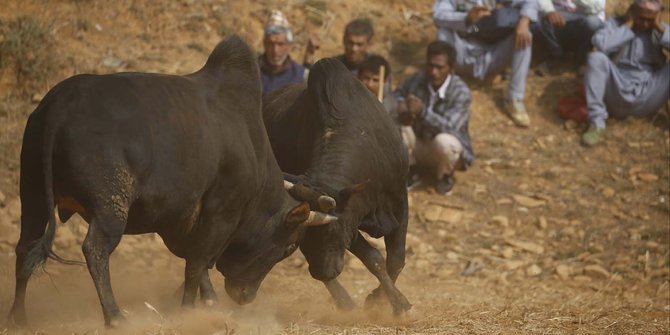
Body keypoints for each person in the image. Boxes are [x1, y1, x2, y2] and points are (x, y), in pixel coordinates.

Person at [432, 0, 537, 127]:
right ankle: (444, 91)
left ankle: (514, 98)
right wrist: (467, 18)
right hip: (461, 52)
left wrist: (524, 21)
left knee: (525, 35)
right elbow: (438, 15)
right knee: (443, 32)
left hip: (491, 55)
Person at [581, 0, 669, 147]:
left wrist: (660, 28)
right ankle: (597, 123)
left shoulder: (658, 30)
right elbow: (600, 43)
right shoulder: (615, 24)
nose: (646, 24)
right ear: (631, 11)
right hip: (616, 91)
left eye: (650, 20)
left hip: (647, 95)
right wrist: (627, 27)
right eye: (641, 18)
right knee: (595, 58)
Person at [393, 41, 474, 195]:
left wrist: (423, 112)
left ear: (451, 68)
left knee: (446, 142)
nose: (434, 72)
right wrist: (401, 106)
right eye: (430, 66)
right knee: (398, 127)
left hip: (441, 150)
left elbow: (450, 127)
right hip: (418, 143)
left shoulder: (461, 92)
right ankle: (412, 170)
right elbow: (395, 95)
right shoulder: (415, 80)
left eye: (440, 67)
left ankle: (444, 175)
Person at [537, 0, 605, 72]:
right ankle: (555, 56)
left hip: (586, 16)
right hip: (561, 14)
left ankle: (581, 60)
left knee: (593, 24)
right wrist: (549, 11)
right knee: (542, 16)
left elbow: (598, 7)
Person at [258, 10, 306, 96]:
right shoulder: (253, 70)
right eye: (271, 44)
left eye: (280, 44)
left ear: (289, 45)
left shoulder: (299, 75)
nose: (275, 50)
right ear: (264, 43)